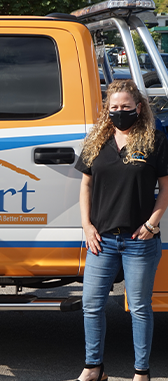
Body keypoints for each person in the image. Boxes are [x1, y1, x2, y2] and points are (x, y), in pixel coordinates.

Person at [74, 79, 168, 381]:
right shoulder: (96, 142)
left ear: (138, 108)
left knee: (139, 308)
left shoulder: (154, 140)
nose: (119, 112)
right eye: (114, 107)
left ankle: (141, 372)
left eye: (126, 107)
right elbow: (86, 185)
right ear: (107, 109)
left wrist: (153, 224)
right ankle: (93, 368)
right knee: (91, 305)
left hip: (139, 240)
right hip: (102, 239)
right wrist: (87, 226)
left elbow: (166, 187)